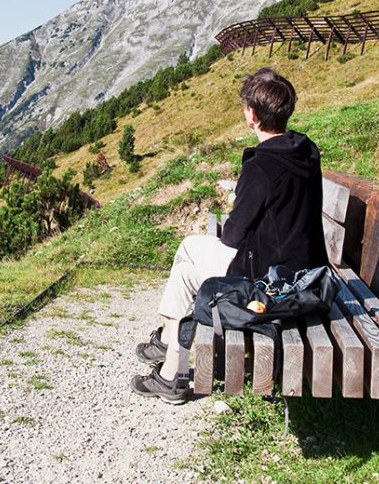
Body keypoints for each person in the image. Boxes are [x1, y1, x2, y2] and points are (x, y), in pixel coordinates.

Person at [130, 67, 328, 404]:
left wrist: (241, 203)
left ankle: (171, 375)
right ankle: (166, 337)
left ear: (252, 115)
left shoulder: (261, 165)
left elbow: (233, 236)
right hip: (303, 268)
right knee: (189, 246)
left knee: (185, 273)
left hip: (270, 281)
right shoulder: (304, 149)